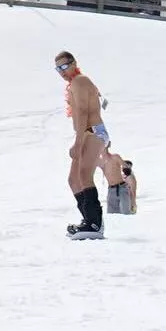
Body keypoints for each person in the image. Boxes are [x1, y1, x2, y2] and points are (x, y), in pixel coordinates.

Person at [55, 50, 108, 239]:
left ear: (74, 63)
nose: (61, 71)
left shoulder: (79, 81)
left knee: (84, 175)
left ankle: (95, 224)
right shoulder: (73, 84)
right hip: (85, 133)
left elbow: (84, 112)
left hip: (92, 132)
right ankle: (88, 221)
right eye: (57, 68)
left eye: (64, 66)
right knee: (74, 180)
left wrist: (78, 143)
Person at [100, 143, 134, 215]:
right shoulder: (99, 161)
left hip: (122, 188)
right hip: (111, 190)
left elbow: (124, 165)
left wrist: (126, 169)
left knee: (126, 213)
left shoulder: (115, 157)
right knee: (111, 215)